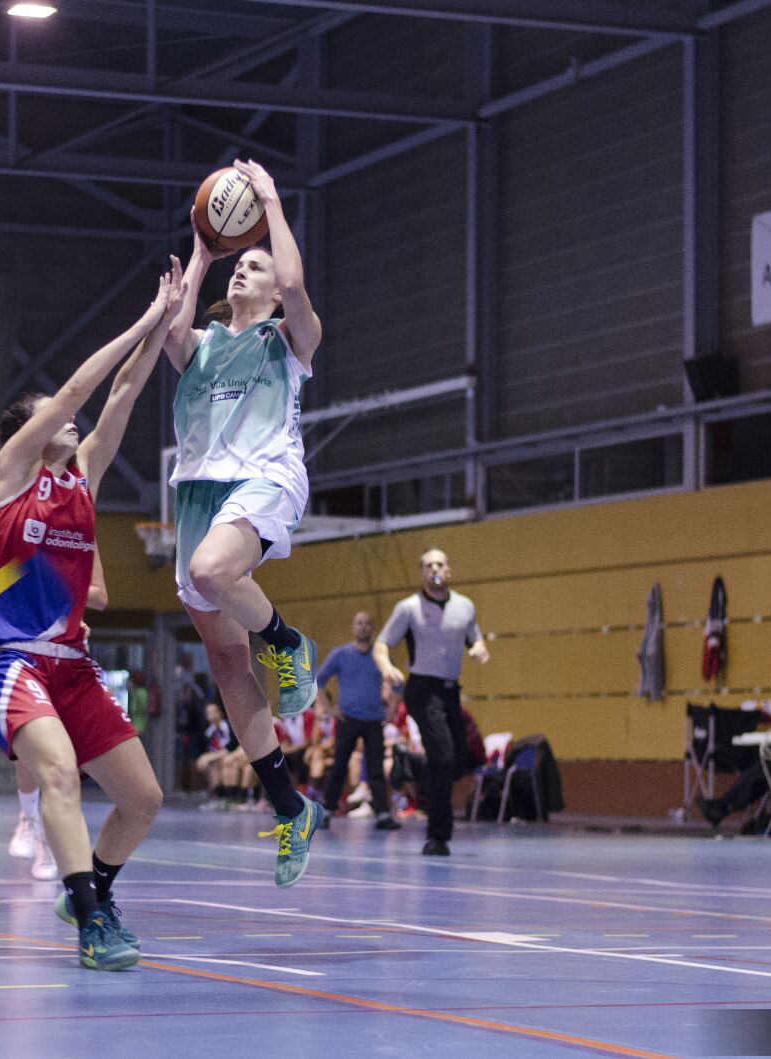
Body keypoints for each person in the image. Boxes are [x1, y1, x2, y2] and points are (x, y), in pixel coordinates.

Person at [0, 273, 178, 971]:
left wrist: (172, 309)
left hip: (71, 664)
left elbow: (121, 392)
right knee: (57, 771)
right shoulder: (10, 474)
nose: (70, 421)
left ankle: (94, 888)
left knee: (142, 798)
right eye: (51, 416)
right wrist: (143, 313)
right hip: (9, 663)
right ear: (25, 431)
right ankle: (92, 923)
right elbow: (76, 394)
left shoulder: (80, 476)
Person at [164, 158, 328, 885]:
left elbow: (294, 284)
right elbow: (169, 329)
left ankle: (288, 639)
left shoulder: (289, 341)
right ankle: (291, 806)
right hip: (199, 493)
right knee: (229, 665)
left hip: (266, 478)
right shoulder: (202, 346)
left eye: (252, 265)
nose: (246, 273)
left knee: (211, 571)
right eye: (242, 265)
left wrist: (268, 203)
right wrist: (203, 251)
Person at [375, 548, 489, 856]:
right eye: (428, 565)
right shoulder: (409, 608)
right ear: (422, 573)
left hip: (450, 691)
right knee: (442, 756)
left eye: (439, 564)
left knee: (456, 761)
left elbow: (474, 637)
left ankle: (426, 787)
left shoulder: (465, 606)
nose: (434, 569)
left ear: (448, 570)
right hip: (422, 690)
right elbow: (382, 644)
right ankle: (437, 835)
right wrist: (387, 668)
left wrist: (479, 649)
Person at [317, 611, 399, 830]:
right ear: (353, 627)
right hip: (348, 719)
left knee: (375, 768)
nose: (363, 627)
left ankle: (382, 813)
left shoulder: (381, 656)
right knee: (339, 765)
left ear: (373, 629)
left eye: (368, 624)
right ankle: (326, 810)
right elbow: (318, 681)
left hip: (374, 721)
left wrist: (391, 710)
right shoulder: (340, 654)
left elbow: (398, 684)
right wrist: (329, 709)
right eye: (359, 623)